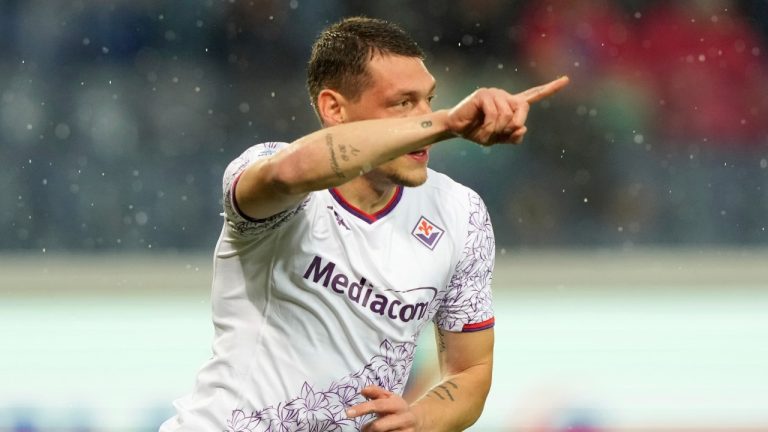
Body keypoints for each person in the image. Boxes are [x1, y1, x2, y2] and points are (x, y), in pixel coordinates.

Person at [160, 16, 568, 432]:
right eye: (402, 103)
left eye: (429, 99)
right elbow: (292, 171)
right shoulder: (271, 172)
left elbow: (471, 370)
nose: (422, 119)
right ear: (334, 108)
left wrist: (420, 417)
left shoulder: (460, 213)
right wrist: (446, 123)